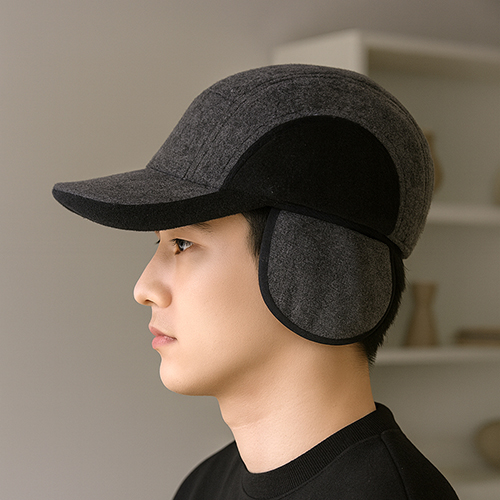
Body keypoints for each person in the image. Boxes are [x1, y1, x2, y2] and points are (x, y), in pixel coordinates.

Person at [53, 64, 459, 499]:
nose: (144, 288)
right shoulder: (204, 484)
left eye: (183, 244)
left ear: (311, 265)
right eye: (160, 243)